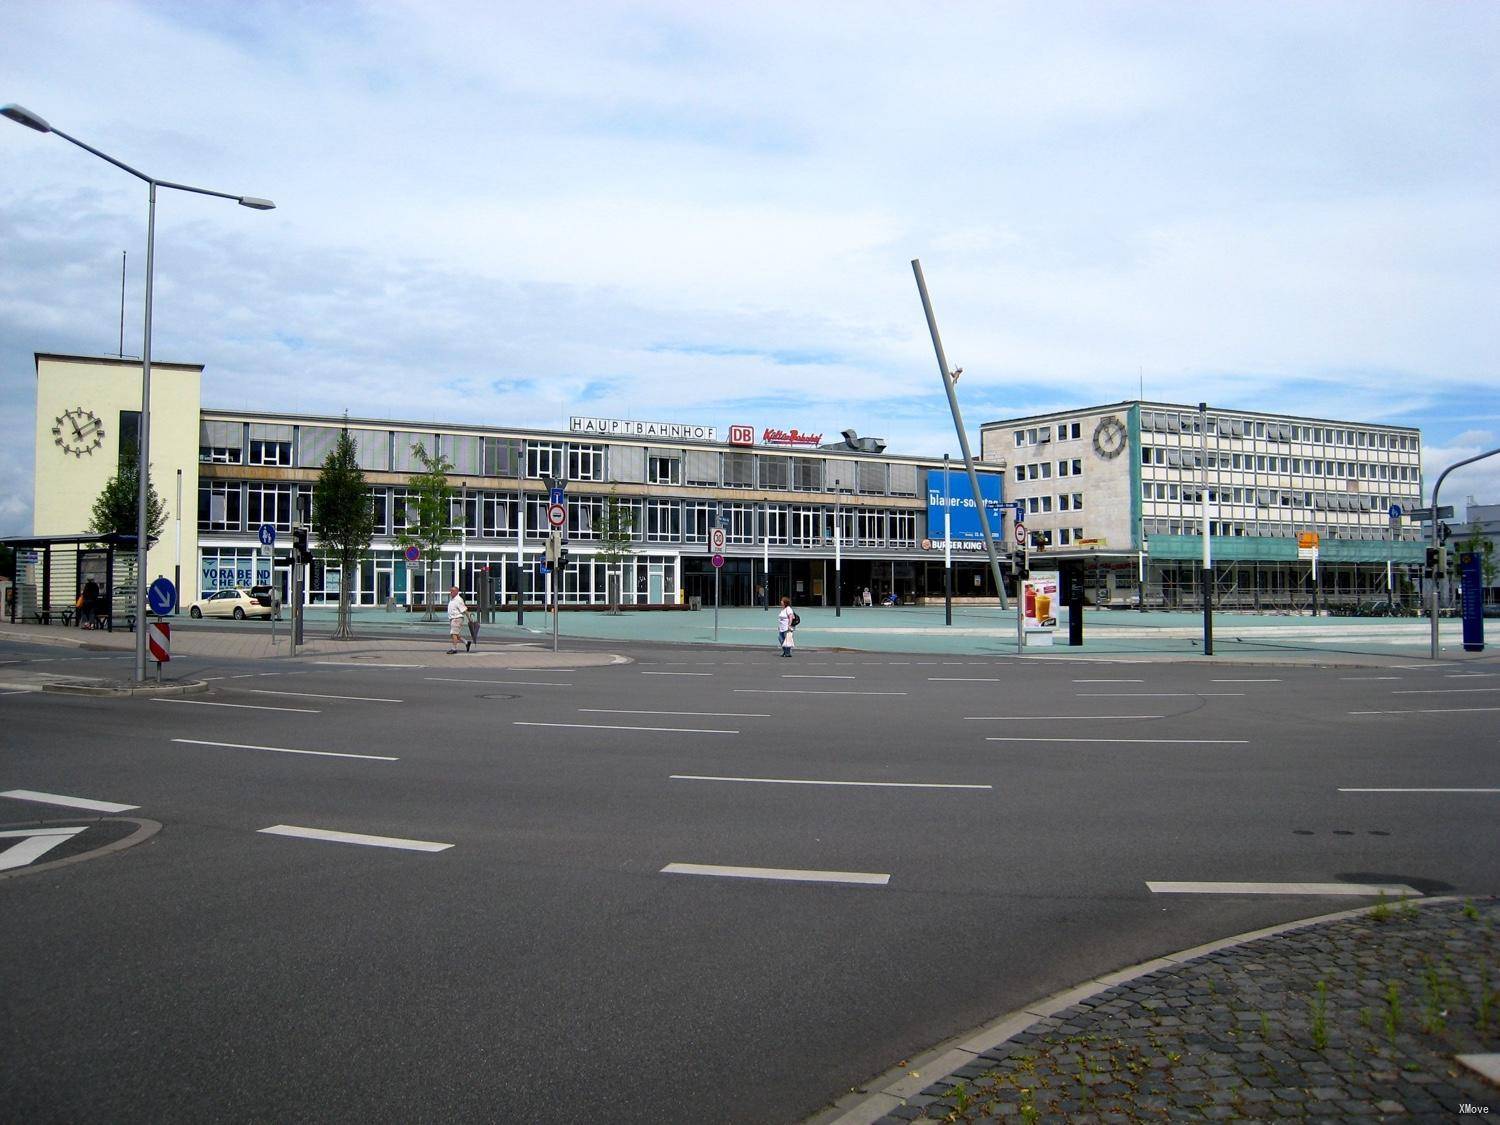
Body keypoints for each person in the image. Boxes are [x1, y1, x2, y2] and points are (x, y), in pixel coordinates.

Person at [446, 585, 469, 654]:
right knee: (455, 634)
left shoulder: (458, 600)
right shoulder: (453, 599)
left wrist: (469, 618)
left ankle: (454, 649)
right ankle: (466, 642)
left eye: (452, 591)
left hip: (457, 618)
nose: (450, 592)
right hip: (452, 618)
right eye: (450, 591)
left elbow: (464, 609)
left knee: (453, 633)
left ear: (456, 592)